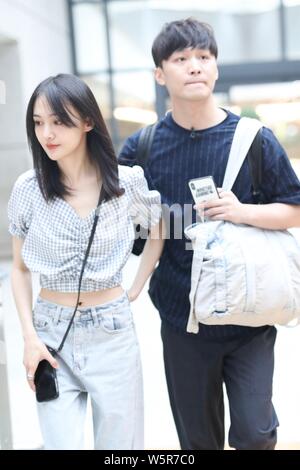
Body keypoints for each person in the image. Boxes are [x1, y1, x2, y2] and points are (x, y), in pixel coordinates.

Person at [119, 18, 300, 450]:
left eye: (204, 57)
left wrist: (243, 212)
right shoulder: (142, 149)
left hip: (248, 317)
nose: (195, 66)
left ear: (216, 68)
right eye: (181, 59)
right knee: (198, 443)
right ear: (160, 75)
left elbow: (295, 209)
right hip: (182, 322)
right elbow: (125, 227)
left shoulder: (255, 140)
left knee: (257, 436)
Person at [8, 73, 163, 450]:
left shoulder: (126, 183)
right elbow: (20, 269)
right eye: (39, 122)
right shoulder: (28, 189)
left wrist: (136, 285)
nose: (48, 133)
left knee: (120, 448)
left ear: (88, 122)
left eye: (59, 121)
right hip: (51, 334)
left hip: (111, 331)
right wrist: (29, 338)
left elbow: (158, 229)